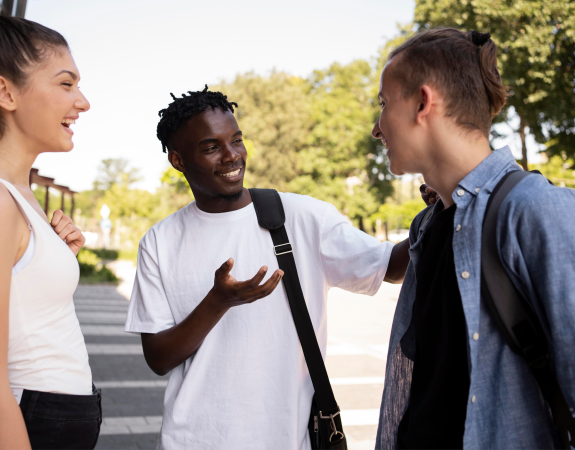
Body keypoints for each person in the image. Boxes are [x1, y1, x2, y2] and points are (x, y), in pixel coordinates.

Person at [124, 86, 427, 450]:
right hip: (191, 440)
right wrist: (218, 302)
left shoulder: (301, 216)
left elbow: (391, 267)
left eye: (236, 140)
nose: (231, 155)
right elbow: (158, 357)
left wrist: (438, 209)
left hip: (287, 439)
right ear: (178, 160)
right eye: (211, 147)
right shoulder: (160, 241)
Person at [373, 28, 575, 449]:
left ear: (423, 102)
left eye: (384, 104)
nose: (377, 128)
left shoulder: (534, 210)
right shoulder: (425, 228)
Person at [0, 17, 100, 450]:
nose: (83, 102)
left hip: (55, 419)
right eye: (65, 83)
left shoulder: (23, 197)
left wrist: (56, 258)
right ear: (6, 92)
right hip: (33, 421)